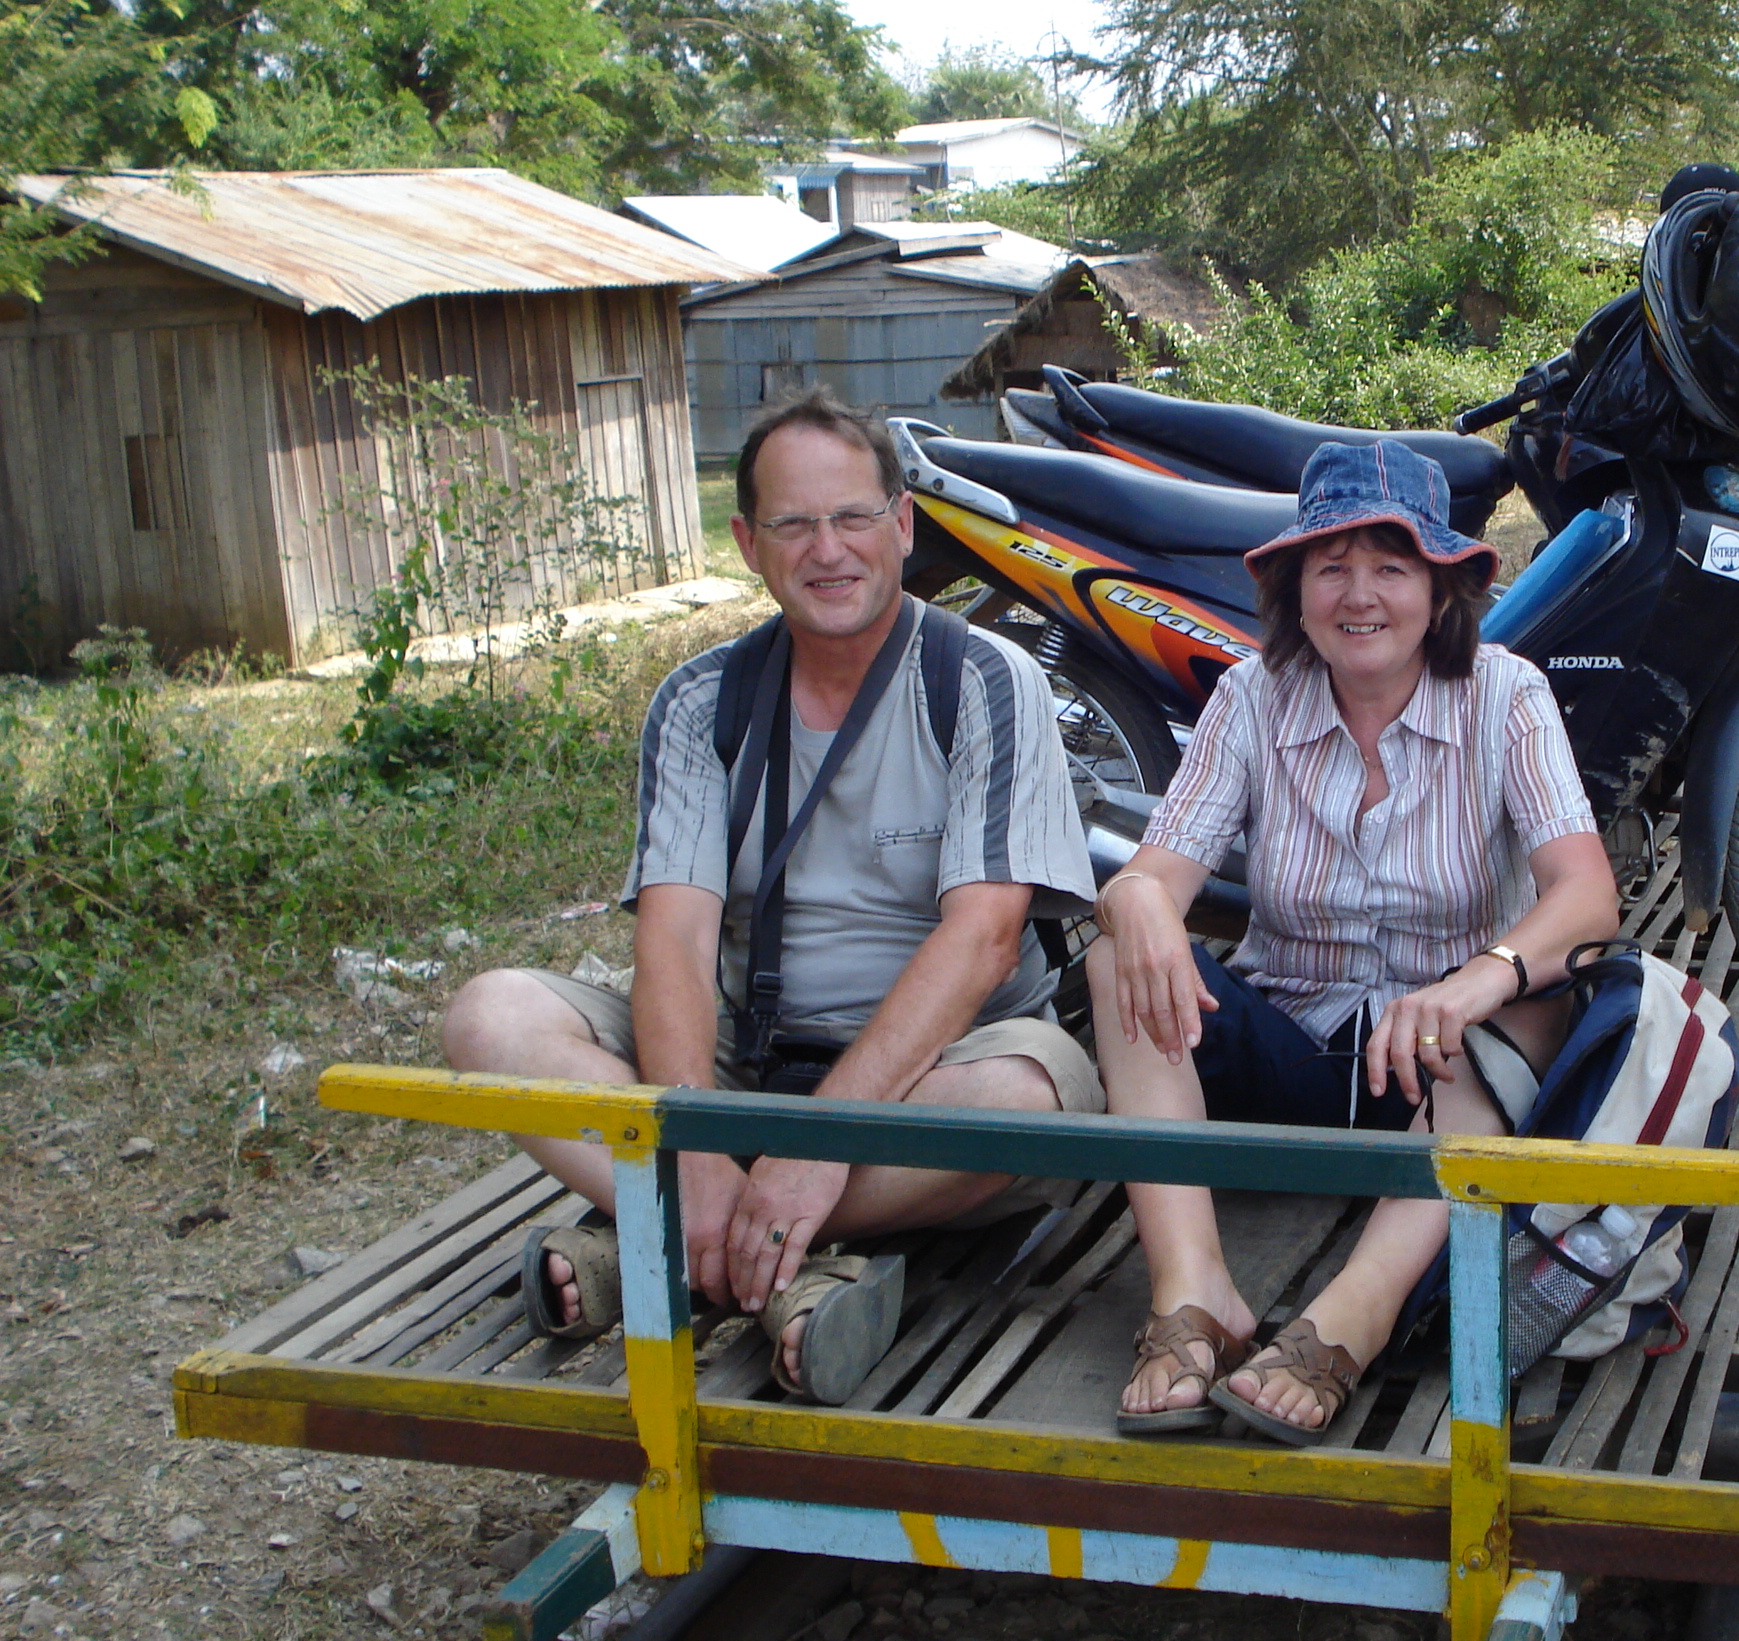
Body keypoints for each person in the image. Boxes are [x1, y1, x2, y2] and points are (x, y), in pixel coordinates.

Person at [442, 388, 1100, 1405]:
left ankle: (669, 1236)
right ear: (749, 544)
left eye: (851, 518)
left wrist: (820, 1144)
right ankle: (774, 1246)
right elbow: (674, 937)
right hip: (742, 1065)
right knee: (492, 1020)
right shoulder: (705, 699)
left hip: (929, 1085)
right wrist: (700, 1141)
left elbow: (984, 938)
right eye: (794, 524)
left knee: (1030, 1102)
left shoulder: (980, 680)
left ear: (902, 524)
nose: (827, 550)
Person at [1088, 441, 1621, 1447]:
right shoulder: (1252, 696)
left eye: (1392, 565)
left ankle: (1353, 1318)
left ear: (1440, 588)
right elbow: (1156, 873)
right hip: (1286, 1056)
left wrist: (1477, 981)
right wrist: (1142, 900)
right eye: (1332, 566)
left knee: (1543, 996)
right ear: (1296, 589)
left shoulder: (1506, 695)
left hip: (1441, 1082)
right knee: (1117, 951)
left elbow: (1588, 895)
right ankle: (1194, 1294)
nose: (1360, 595)